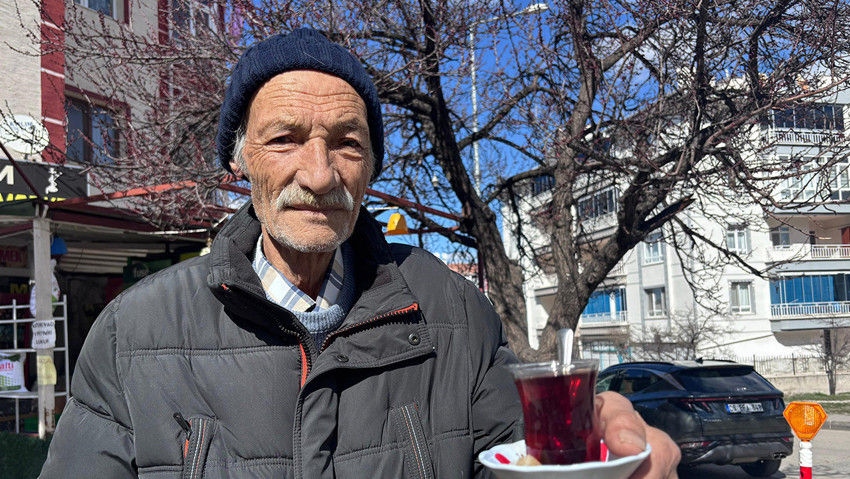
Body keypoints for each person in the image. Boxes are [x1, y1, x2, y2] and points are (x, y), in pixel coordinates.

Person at [40, 28, 679, 478]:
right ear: (240, 164)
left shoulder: (453, 314)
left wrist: (598, 459)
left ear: (371, 167)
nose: (319, 175)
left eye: (346, 143)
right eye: (285, 139)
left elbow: (522, 460)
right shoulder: (133, 336)